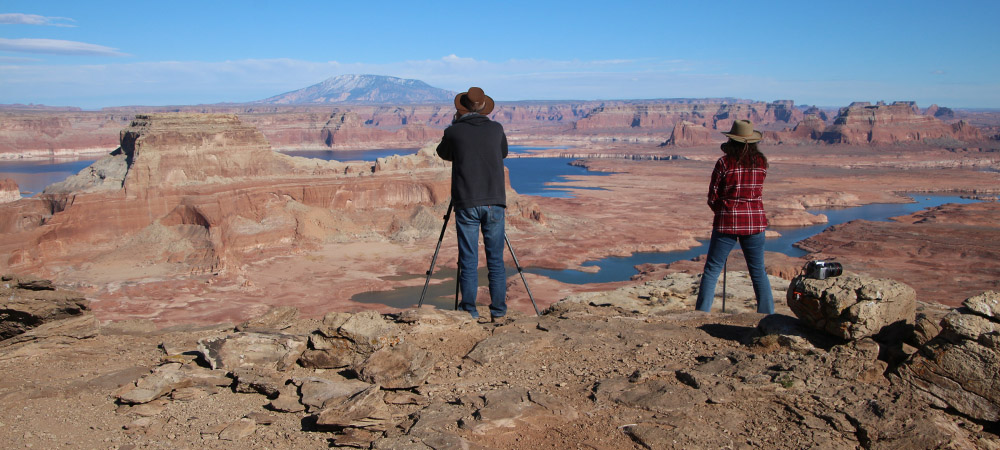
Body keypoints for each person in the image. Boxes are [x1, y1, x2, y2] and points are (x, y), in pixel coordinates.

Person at [436, 87, 510, 322]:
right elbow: (503, 153)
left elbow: (443, 153)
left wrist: (453, 126)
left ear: (462, 108)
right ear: (483, 108)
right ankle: (498, 312)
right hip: (495, 202)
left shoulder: (454, 132)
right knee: (496, 260)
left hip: (466, 202)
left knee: (468, 259)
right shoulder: (496, 129)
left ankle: (469, 311)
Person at [695, 120, 774, 314]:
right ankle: (767, 315)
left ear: (732, 140)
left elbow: (713, 196)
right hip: (755, 222)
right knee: (758, 271)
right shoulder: (761, 162)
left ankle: (700, 314)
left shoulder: (724, 162)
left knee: (712, 270)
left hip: (727, 223)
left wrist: (723, 211)